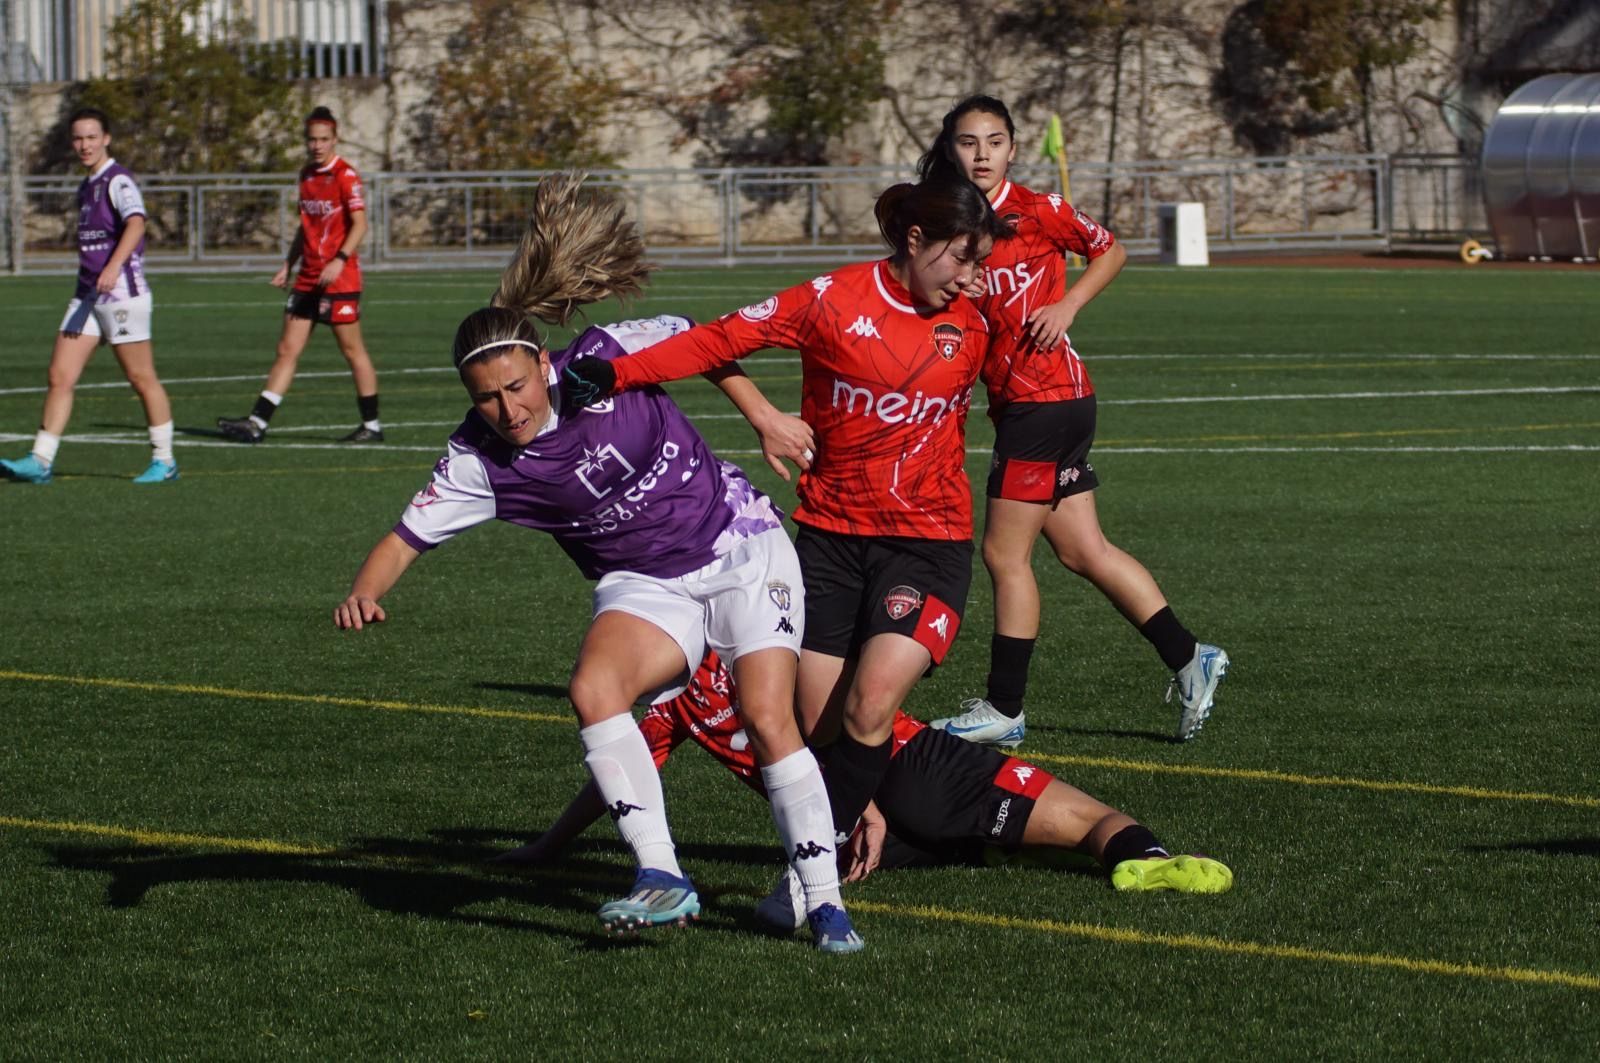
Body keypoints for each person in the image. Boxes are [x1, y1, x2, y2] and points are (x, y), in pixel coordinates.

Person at [332, 174, 859, 952]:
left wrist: (765, 416)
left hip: (738, 543)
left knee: (766, 715)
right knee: (593, 687)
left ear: (541, 363)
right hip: (648, 583)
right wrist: (363, 591)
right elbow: (406, 536)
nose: (507, 409)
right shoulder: (479, 460)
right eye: (486, 398)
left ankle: (824, 902)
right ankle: (662, 877)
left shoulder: (604, 358)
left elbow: (703, 339)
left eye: (515, 386)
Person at [561, 174, 1013, 913]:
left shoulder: (979, 315)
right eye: (961, 258)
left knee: (872, 704)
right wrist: (614, 372)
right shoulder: (831, 299)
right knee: (818, 721)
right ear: (915, 240)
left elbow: (1031, 387)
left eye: (980, 262)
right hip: (831, 539)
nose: (970, 277)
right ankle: (879, 829)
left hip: (929, 542)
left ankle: (813, 878)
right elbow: (714, 339)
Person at [499, 647, 1233, 931]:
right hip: (907, 770)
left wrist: (547, 845)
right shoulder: (760, 634)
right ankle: (1152, 856)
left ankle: (1015, 851)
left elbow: (617, 774)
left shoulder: (666, 695)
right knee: (1094, 817)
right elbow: (819, 718)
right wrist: (859, 796)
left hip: (843, 834)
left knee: (973, 850)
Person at [916, 95, 1228, 745]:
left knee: (1005, 553)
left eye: (994, 141)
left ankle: (1004, 709)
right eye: (969, 142)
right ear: (949, 148)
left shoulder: (1038, 209)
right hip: (1030, 403)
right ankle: (1189, 655)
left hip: (1047, 400)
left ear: (1012, 147)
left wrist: (1070, 303)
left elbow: (1109, 249)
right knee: (1084, 549)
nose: (982, 154)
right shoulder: (948, 218)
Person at [1, 108, 176, 485]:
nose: (84, 145)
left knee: (140, 376)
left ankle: (165, 460)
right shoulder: (87, 185)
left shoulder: (118, 180)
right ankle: (40, 461)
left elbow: (136, 222)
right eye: (78, 138)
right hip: (88, 297)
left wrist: (113, 266)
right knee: (59, 375)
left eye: (92, 137)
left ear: (106, 138)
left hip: (122, 295)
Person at [218, 106, 383, 444]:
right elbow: (305, 228)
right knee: (286, 349)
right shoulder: (306, 175)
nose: (317, 145)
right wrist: (287, 264)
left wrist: (339, 259)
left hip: (340, 279)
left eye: (324, 139)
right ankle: (257, 423)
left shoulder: (346, 176)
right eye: (312, 139)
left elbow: (360, 224)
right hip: (308, 277)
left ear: (335, 139)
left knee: (352, 350)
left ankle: (372, 425)